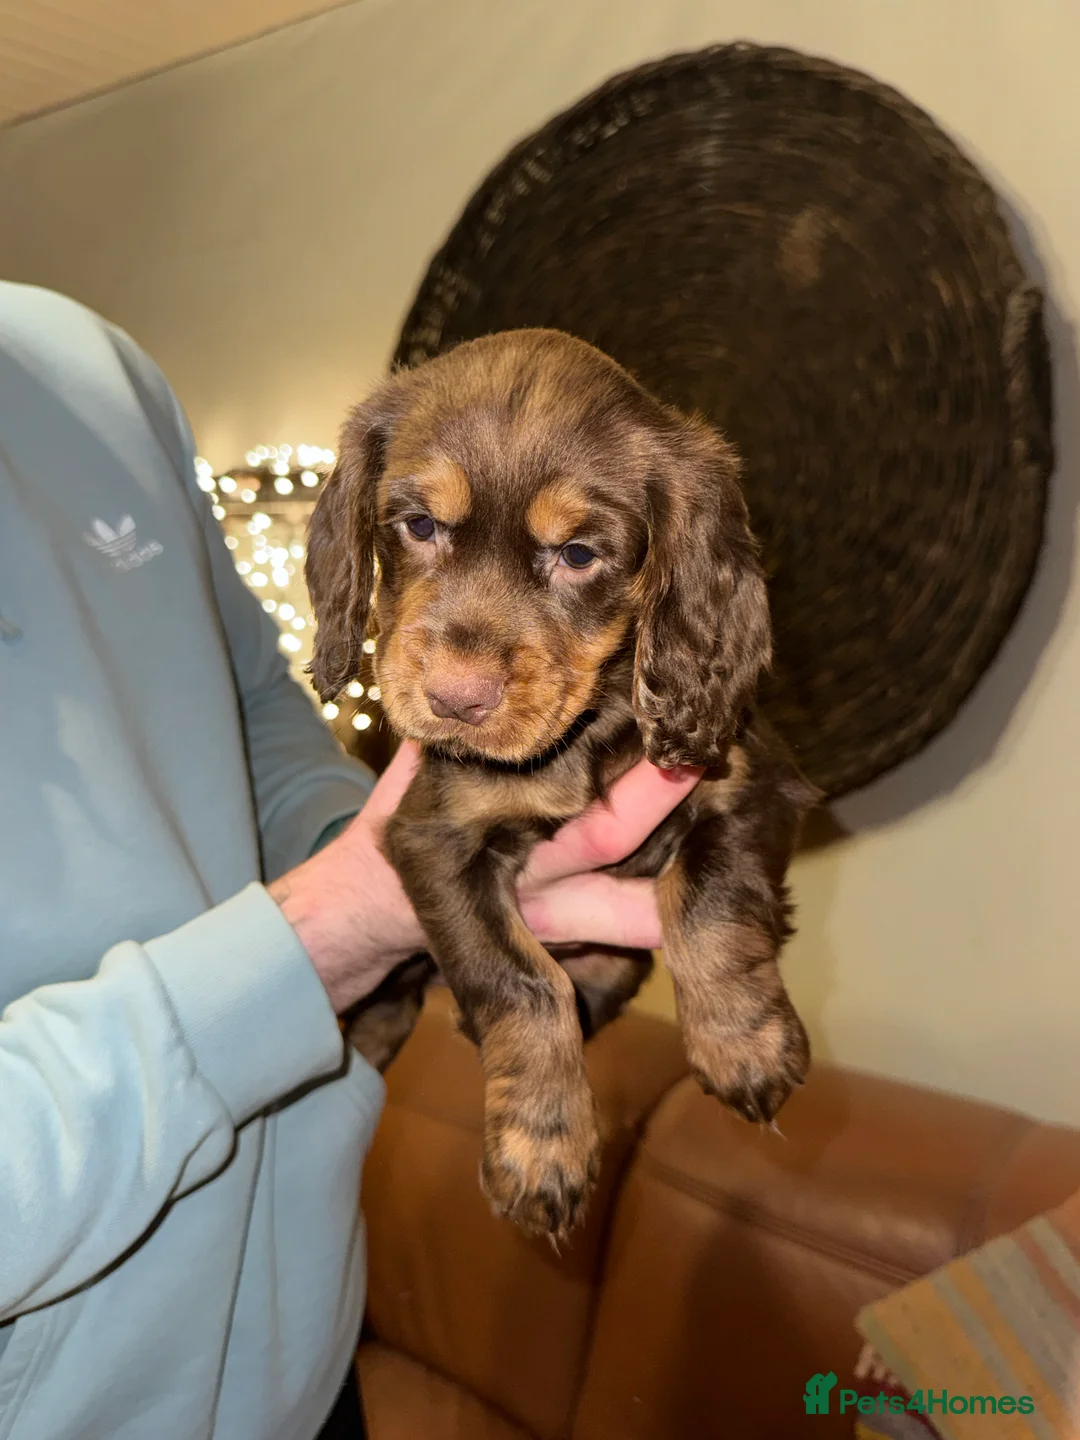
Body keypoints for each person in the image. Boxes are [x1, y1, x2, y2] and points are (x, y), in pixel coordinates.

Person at [0, 281, 701, 1440]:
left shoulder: (85, 366)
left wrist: (410, 872)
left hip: (301, 1352)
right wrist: (324, 937)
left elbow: (250, 705)